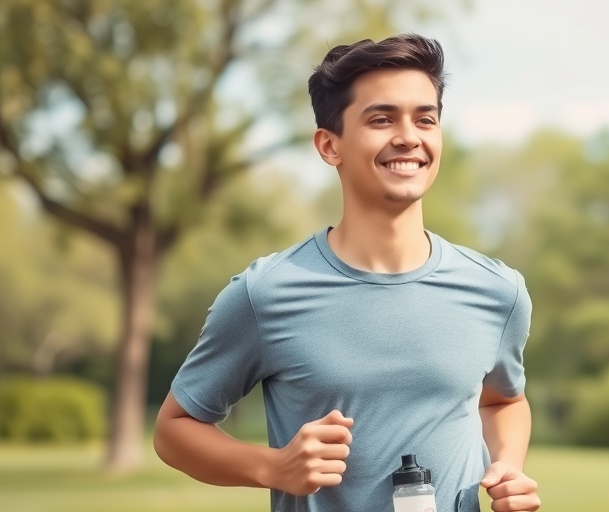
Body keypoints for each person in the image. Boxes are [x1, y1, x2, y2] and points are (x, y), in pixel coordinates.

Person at [153, 34, 541, 512]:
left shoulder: (497, 291)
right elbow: (174, 430)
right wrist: (273, 468)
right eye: (381, 119)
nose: (408, 136)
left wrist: (508, 466)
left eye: (425, 119)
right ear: (328, 145)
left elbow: (502, 401)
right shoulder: (266, 293)